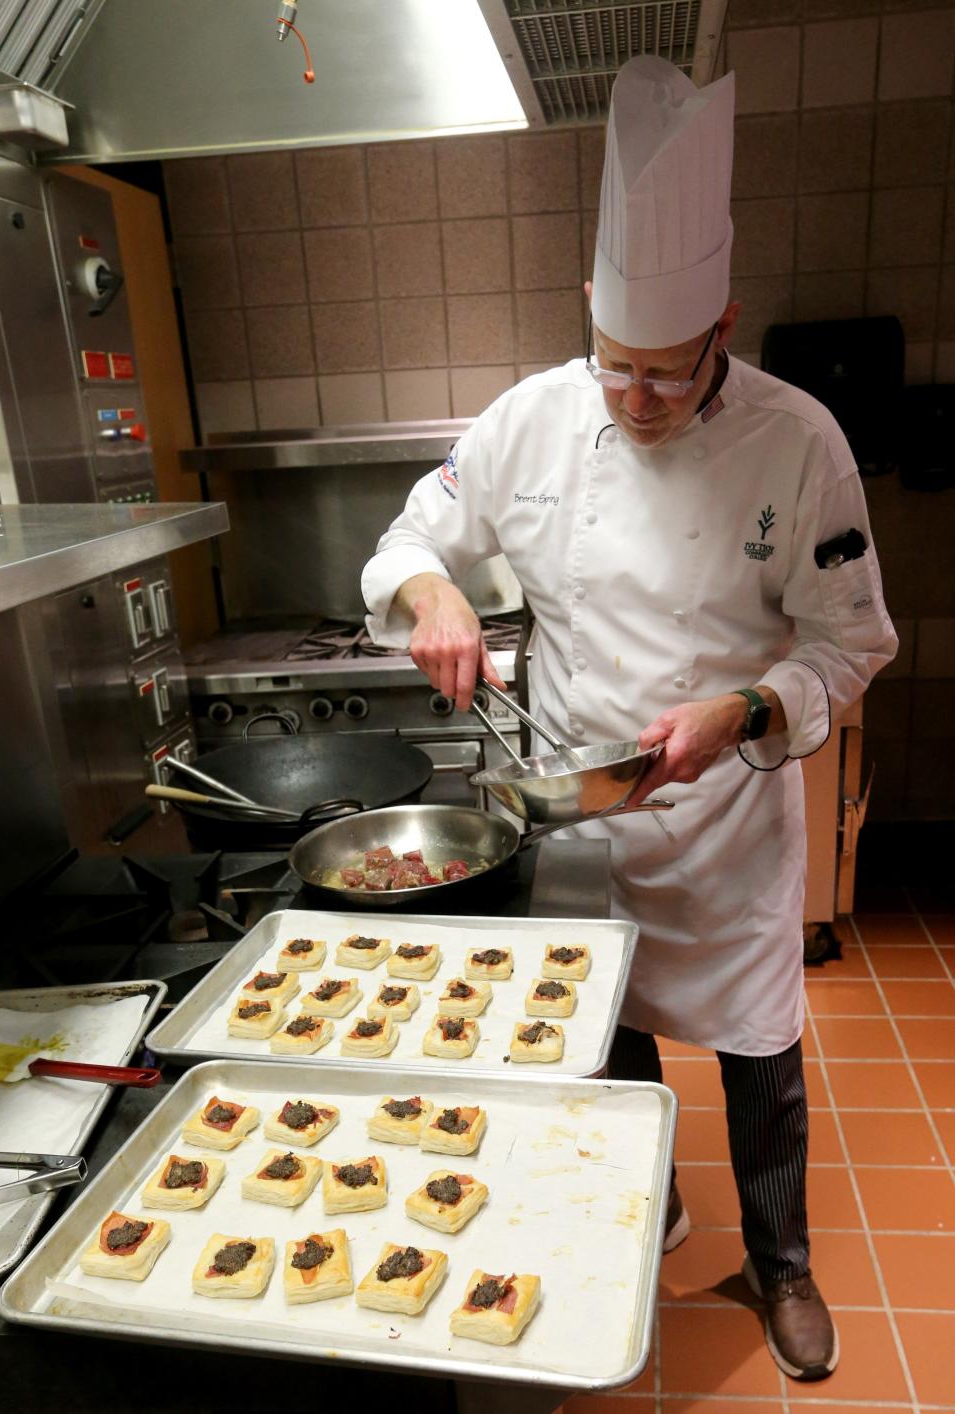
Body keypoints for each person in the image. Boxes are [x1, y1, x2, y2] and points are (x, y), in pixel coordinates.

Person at [361, 55, 897, 1383]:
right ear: (588, 319)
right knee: (604, 1030)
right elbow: (410, 539)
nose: (638, 399)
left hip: (728, 823)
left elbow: (854, 641)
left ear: (721, 324)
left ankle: (783, 1265)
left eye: (667, 372)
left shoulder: (801, 441)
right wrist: (431, 591)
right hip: (586, 819)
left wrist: (747, 706)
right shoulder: (534, 421)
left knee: (761, 1059)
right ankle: (641, 1209)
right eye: (616, 366)